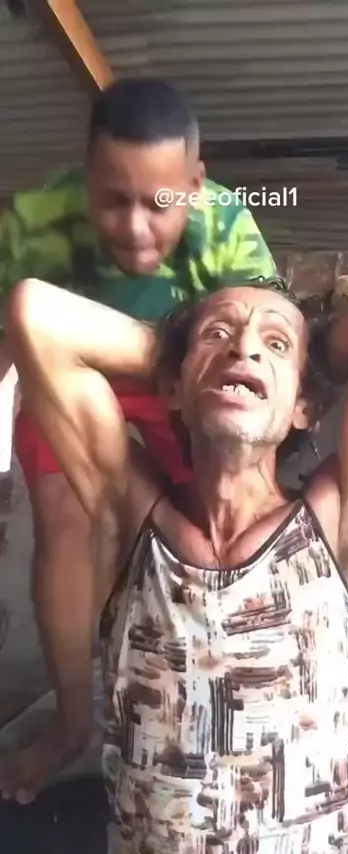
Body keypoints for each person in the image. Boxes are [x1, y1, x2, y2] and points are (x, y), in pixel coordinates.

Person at [3, 252, 348, 851]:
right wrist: (187, 358)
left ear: (305, 408)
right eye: (219, 334)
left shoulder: (344, 522)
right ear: (172, 390)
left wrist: (299, 357)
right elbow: (33, 313)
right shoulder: (129, 516)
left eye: (273, 344)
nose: (244, 349)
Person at [0, 76, 276, 800]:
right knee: (63, 519)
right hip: (71, 371)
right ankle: (70, 725)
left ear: (194, 185)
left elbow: (265, 356)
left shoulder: (225, 224)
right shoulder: (33, 220)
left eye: (159, 203)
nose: (134, 227)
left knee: (201, 527)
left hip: (182, 374)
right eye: (112, 199)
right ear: (85, 176)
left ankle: (210, 707)